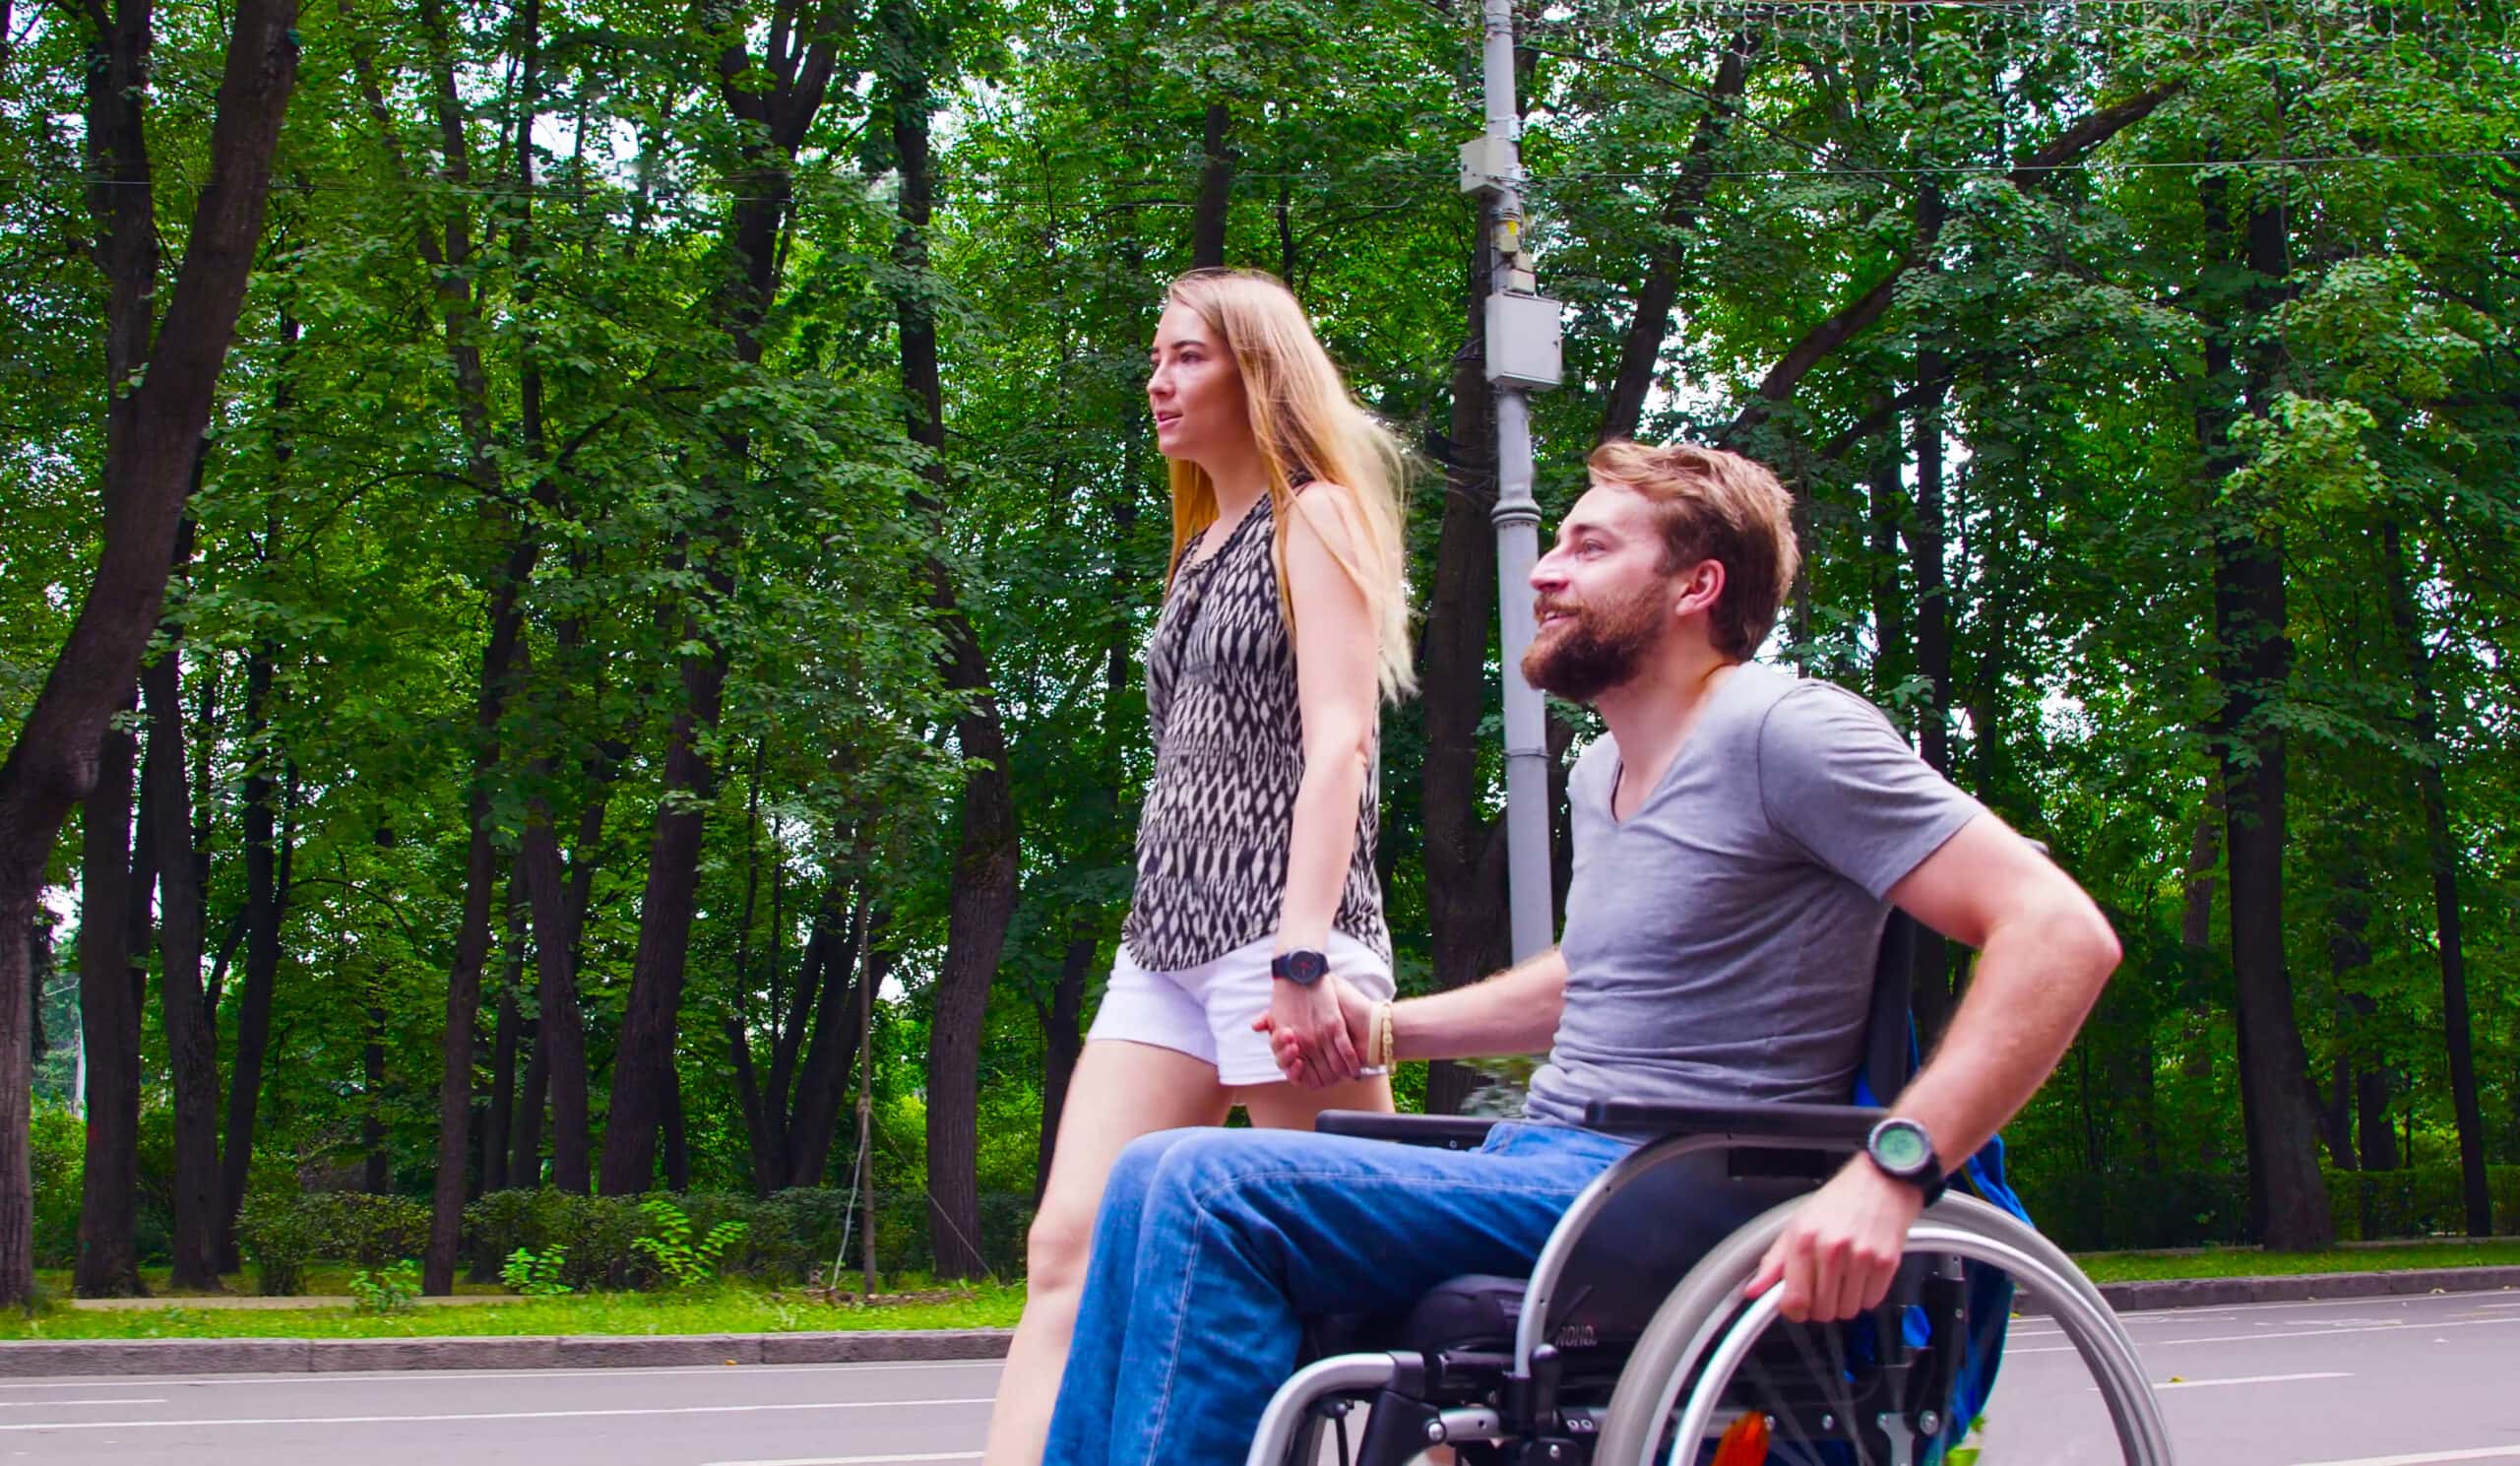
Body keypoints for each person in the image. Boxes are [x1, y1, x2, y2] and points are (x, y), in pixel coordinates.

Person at [1039, 438, 2124, 1466]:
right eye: (1555, 544)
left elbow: (2059, 932)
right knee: (1147, 1180)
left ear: (1697, 586)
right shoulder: (1600, 770)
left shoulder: (1786, 730)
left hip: (1663, 1186)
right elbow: (1595, 976)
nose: (1544, 571)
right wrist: (1386, 1030)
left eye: (1590, 547)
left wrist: (1893, 1170)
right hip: (1551, 1160)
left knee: (1205, 1184)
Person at [980, 269, 1418, 1466]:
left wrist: (1301, 956)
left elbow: (1341, 742)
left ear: (1256, 370)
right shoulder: (1200, 545)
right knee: (1067, 1247)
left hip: (1280, 941)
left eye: (1187, 357)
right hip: (1163, 943)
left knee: (1372, 1285)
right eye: (1155, 360)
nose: (1158, 382)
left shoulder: (1314, 517)